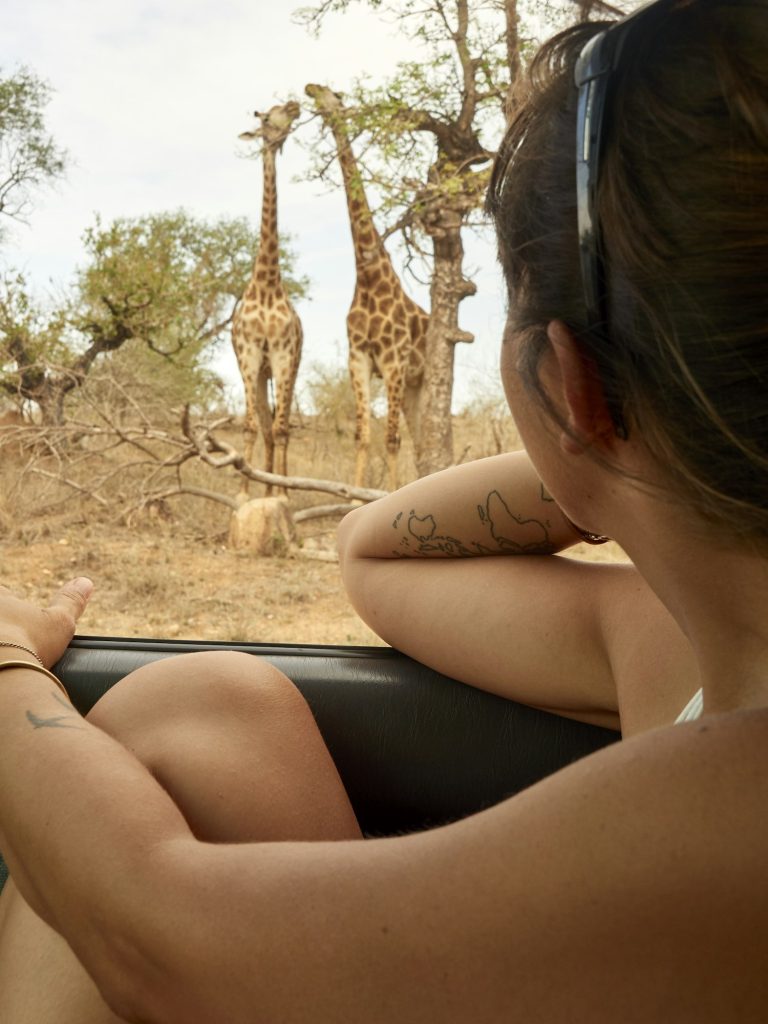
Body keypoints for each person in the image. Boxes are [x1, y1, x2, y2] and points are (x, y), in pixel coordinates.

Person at [1, 0, 767, 1019]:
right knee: (203, 710)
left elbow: (162, 939)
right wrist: (652, 461)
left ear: (568, 383)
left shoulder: (729, 804)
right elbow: (378, 556)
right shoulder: (682, 645)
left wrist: (6, 662)